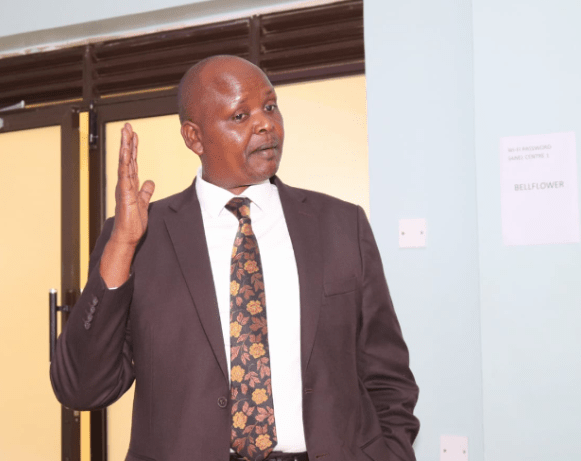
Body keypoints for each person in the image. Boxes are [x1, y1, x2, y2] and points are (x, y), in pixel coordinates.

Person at [51, 55, 420, 461]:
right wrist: (121, 247)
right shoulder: (141, 238)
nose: (265, 124)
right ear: (194, 137)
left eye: (270, 106)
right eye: (241, 115)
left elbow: (387, 375)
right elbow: (83, 388)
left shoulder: (341, 225)